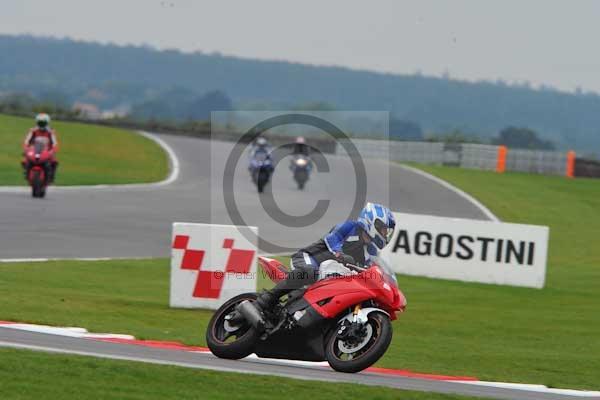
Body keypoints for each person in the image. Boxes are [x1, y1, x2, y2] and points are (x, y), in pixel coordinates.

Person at [256, 202, 396, 310]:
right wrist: (340, 254)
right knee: (309, 272)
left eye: (386, 231)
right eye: (383, 230)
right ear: (373, 221)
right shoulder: (349, 227)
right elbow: (332, 240)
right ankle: (267, 299)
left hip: (330, 273)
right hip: (309, 258)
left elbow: (370, 266)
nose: (384, 234)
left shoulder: (371, 250)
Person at [22, 113, 59, 182]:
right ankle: (26, 174)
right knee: (24, 161)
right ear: (37, 122)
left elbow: (55, 143)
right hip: (34, 150)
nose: (41, 124)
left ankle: (51, 176)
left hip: (47, 151)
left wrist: (53, 151)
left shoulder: (51, 132)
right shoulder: (33, 131)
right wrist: (26, 149)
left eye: (43, 123)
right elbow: (26, 141)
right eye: (40, 122)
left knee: (54, 162)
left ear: (47, 123)